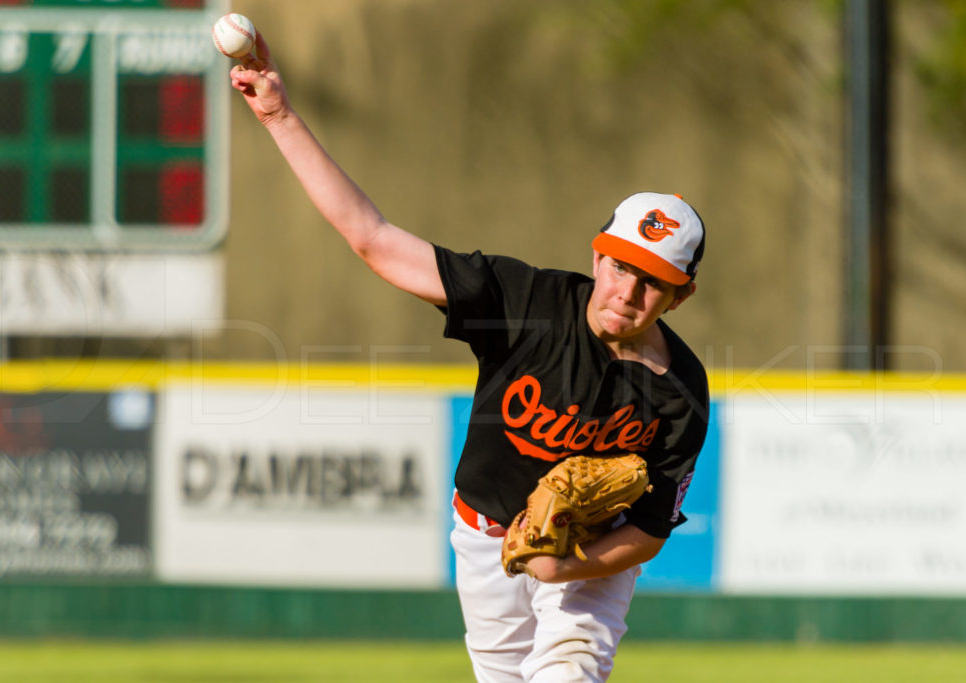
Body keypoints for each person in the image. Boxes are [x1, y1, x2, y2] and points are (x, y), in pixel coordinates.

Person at [229, 30, 709, 683]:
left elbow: (650, 531)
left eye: (652, 280)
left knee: (571, 672)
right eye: (620, 266)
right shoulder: (524, 303)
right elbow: (374, 240)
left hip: (591, 556)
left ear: (680, 296)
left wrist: (567, 565)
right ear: (598, 255)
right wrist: (279, 116)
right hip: (482, 537)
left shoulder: (681, 392)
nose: (627, 291)